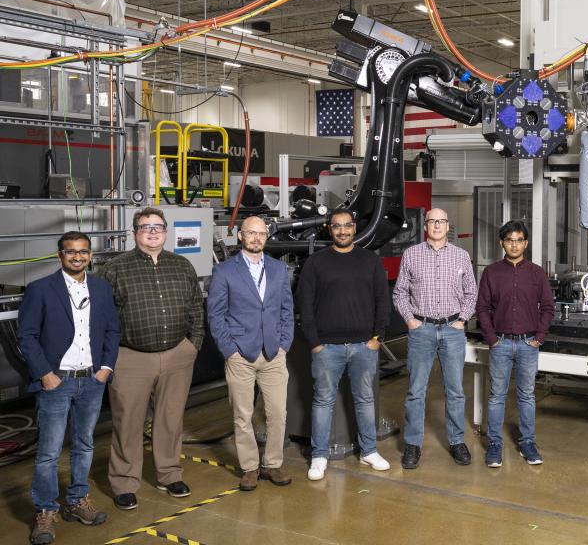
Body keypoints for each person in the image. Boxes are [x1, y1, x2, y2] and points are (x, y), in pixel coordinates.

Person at [17, 232, 120, 545]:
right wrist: (45, 374)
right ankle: (46, 510)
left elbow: (112, 330)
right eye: (71, 252)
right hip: (57, 381)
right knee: (48, 453)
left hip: (92, 380)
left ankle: (77, 502)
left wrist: (106, 368)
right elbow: (27, 336)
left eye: (83, 252)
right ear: (60, 255)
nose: (78, 257)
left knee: (84, 444)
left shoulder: (101, 287)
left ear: (90, 255)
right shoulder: (40, 289)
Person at [101, 207, 204, 510]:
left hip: (176, 355)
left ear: (166, 231)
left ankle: (169, 474)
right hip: (131, 357)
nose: (152, 232)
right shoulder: (115, 269)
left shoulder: (181, 265)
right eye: (145, 227)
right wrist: (111, 357)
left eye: (158, 226)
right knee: (128, 422)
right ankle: (123, 482)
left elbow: (196, 307)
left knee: (170, 419)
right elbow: (101, 317)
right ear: (135, 233)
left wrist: (192, 345)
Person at [297, 208, 391, 481]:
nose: (342, 231)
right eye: (337, 226)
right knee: (322, 401)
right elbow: (305, 305)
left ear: (354, 227)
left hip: (365, 346)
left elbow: (382, 302)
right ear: (330, 229)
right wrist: (315, 343)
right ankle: (319, 456)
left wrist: (377, 338)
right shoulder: (316, 263)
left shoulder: (370, 261)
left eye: (347, 226)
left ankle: (369, 451)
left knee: (365, 400)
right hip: (327, 348)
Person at [207, 216, 294, 491]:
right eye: (251, 233)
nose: (256, 238)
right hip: (240, 356)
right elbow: (216, 315)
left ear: (266, 237)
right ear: (240, 236)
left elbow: (286, 310)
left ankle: (273, 464)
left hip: (273, 354)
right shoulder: (224, 271)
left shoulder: (280, 270)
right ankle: (250, 468)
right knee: (242, 415)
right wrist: (229, 351)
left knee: (278, 414)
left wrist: (284, 344)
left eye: (261, 234)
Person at [393, 208, 477, 469]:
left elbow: (471, 293)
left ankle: (456, 441)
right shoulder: (411, 255)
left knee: (455, 390)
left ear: (448, 225)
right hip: (422, 330)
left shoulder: (461, 256)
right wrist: (410, 321)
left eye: (442, 221)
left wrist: (462, 319)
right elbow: (399, 293)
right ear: (426, 226)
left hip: (453, 329)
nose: (437, 225)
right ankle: (413, 445)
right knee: (416, 391)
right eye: (433, 221)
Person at [476, 220, 554, 468]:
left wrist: (539, 337)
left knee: (527, 396)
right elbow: (482, 308)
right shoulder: (491, 273)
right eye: (509, 240)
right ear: (502, 243)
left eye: (519, 240)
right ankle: (495, 445)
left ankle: (528, 443)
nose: (514, 244)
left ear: (526, 243)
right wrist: (491, 339)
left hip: (527, 343)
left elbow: (548, 307)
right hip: (500, 343)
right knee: (497, 396)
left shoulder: (536, 273)